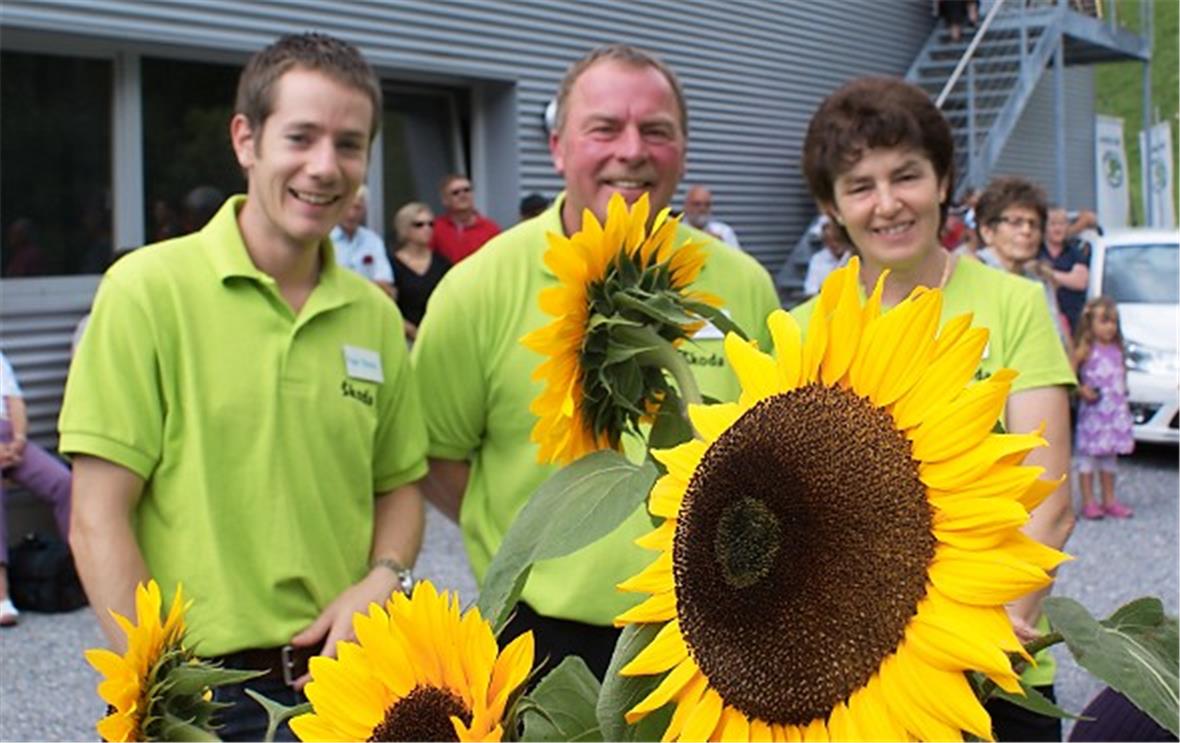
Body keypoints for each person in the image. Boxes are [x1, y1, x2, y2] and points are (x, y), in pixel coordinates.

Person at [59, 33, 428, 740]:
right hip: (197, 696)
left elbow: (400, 484)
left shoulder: (375, 317)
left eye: (349, 145)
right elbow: (96, 517)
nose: (325, 167)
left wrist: (382, 576)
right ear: (245, 139)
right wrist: (159, 694)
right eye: (301, 136)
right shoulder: (146, 292)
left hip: (343, 684)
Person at [411, 43, 780, 679]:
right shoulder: (478, 289)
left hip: (714, 637)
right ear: (558, 148)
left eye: (656, 131)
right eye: (603, 129)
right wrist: (545, 540)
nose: (631, 150)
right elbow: (438, 457)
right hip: (538, 643)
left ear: (682, 150)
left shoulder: (742, 285)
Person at [796, 76, 1075, 742]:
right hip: (862, 687)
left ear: (945, 180)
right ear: (830, 204)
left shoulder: (1010, 305)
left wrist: (985, 637)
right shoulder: (806, 328)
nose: (887, 204)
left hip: (993, 669)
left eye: (907, 176)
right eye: (860, 185)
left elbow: (1050, 497)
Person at [0, 350, 73, 627]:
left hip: (9, 437)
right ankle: (1, 595)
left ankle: (78, 569)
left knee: (64, 483)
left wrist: (18, 439)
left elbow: (15, 402)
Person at [976, 176, 1074, 356]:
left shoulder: (1039, 281)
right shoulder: (972, 277)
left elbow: (1058, 342)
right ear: (987, 231)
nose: (1027, 231)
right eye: (1016, 222)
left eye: (1034, 224)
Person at [1072, 296, 1135, 520]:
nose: (1109, 327)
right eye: (1104, 321)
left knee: (1110, 457)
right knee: (1088, 458)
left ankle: (1110, 499)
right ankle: (1089, 500)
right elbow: (1069, 372)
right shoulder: (1086, 349)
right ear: (1090, 323)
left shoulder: (1117, 348)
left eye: (1113, 322)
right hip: (1093, 413)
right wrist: (1081, 390)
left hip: (1114, 413)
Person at [391, 201, 450, 340]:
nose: (427, 228)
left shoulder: (442, 263)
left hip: (437, 335)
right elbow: (387, 305)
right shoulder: (391, 265)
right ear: (404, 228)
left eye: (431, 224)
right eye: (419, 225)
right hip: (402, 338)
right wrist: (409, 330)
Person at [329, 184, 396, 297]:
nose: (352, 214)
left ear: (365, 210)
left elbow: (385, 285)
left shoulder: (372, 240)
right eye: (347, 207)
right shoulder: (321, 239)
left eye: (357, 208)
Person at [430, 173, 501, 264]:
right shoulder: (435, 229)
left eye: (467, 190)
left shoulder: (490, 229)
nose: (462, 195)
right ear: (445, 200)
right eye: (455, 193)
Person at [1041, 205, 1090, 334]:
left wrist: (1048, 274)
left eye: (1062, 224)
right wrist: (1066, 277)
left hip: (1073, 319)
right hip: (1043, 318)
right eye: (1052, 224)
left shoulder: (1075, 252)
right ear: (1044, 227)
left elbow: (1080, 282)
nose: (1058, 229)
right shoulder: (1035, 252)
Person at [802, 216, 852, 295]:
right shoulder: (818, 259)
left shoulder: (856, 256)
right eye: (829, 241)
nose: (834, 244)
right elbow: (810, 289)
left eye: (837, 239)